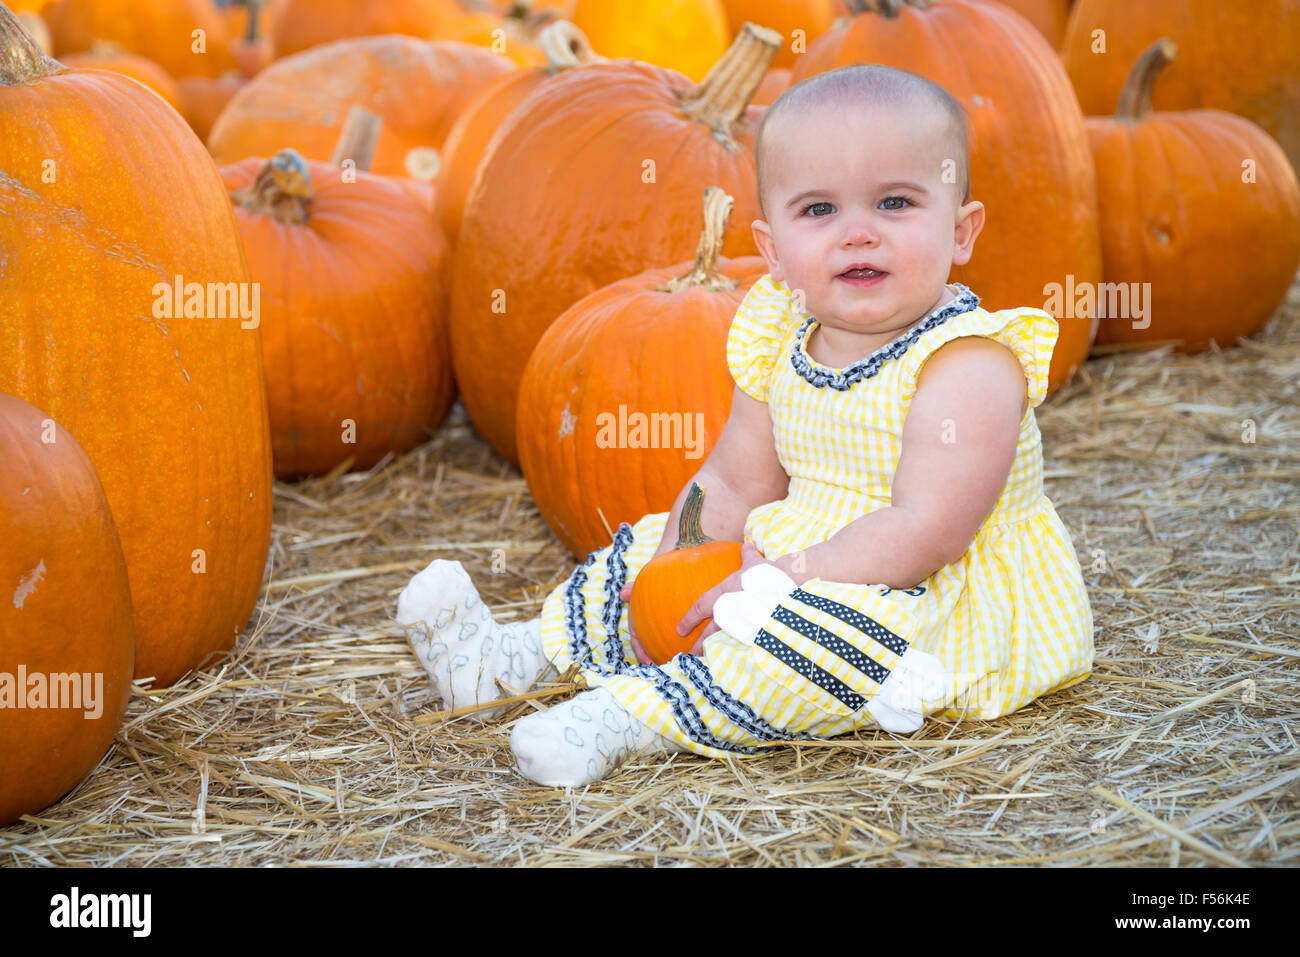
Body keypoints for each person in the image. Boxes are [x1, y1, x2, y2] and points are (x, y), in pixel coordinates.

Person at [397, 64, 1094, 787]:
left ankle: (633, 718)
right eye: (819, 210)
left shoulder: (969, 364)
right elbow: (735, 477)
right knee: (640, 552)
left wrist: (783, 581)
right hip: (800, 552)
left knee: (810, 648)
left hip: (925, 591)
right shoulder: (780, 334)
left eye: (894, 202)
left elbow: (927, 529)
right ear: (771, 248)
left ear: (961, 230)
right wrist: (676, 562)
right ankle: (509, 661)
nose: (858, 233)